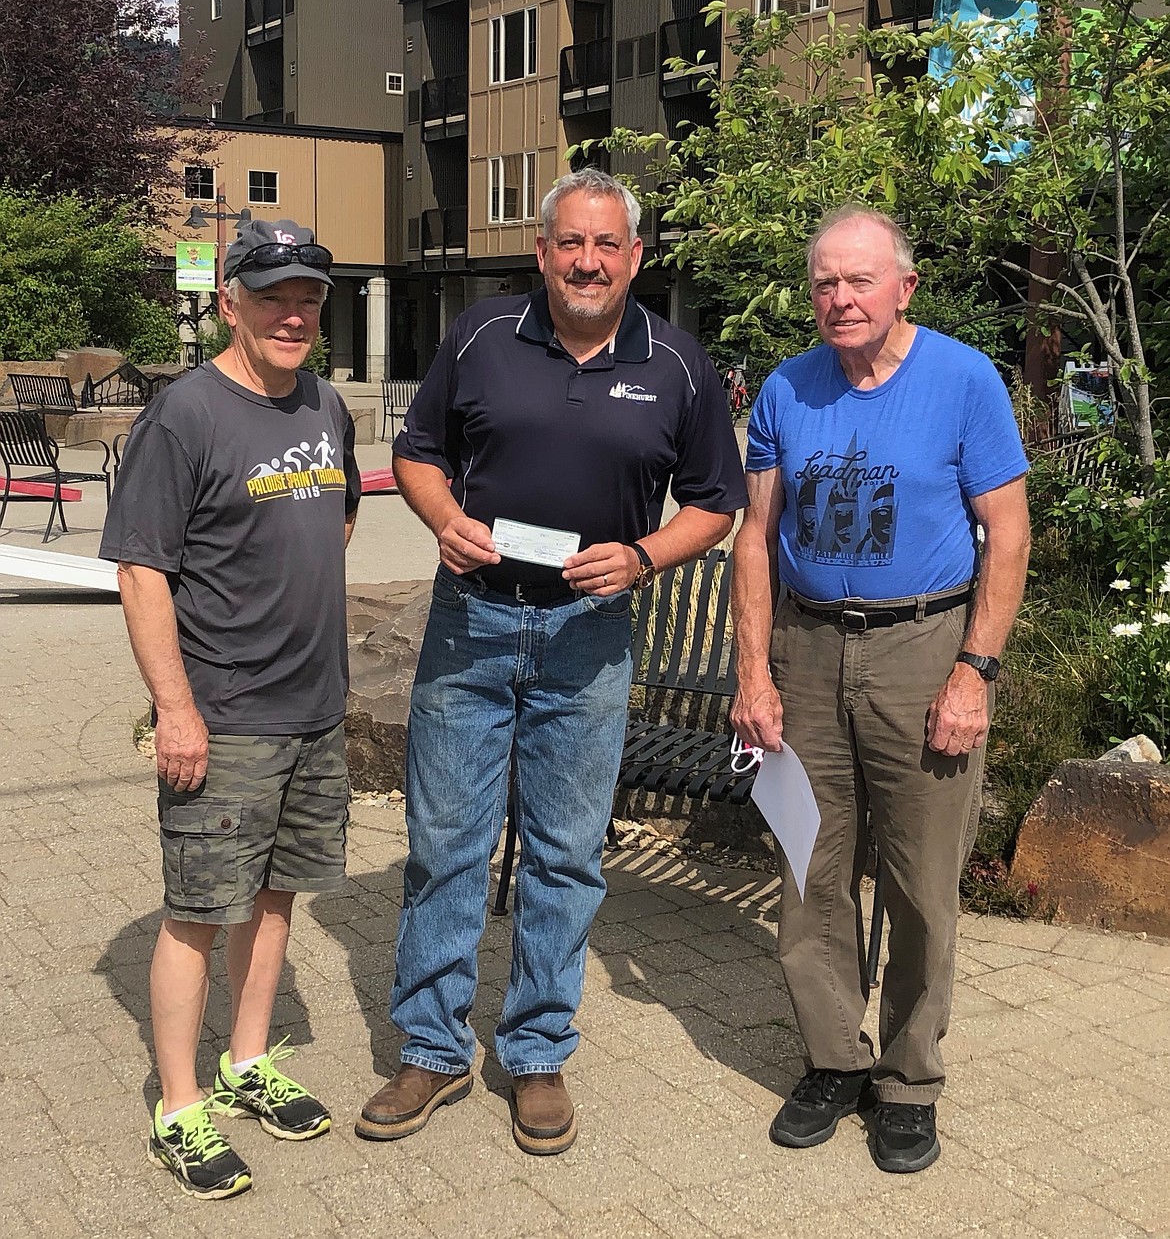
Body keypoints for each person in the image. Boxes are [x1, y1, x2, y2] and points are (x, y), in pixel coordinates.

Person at [355, 169, 747, 1155]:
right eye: (570, 243)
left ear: (635, 258)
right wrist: (442, 516)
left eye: (607, 245)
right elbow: (415, 450)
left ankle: (535, 1053)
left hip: (588, 634)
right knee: (447, 844)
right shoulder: (483, 334)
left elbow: (714, 502)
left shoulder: (678, 365)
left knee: (567, 854)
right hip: (472, 622)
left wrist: (648, 553)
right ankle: (433, 1049)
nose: (587, 261)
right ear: (542, 251)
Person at [731, 205, 1030, 1174]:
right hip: (811, 652)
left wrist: (973, 671)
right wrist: (753, 673)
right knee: (810, 870)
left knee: (920, 879)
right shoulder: (788, 388)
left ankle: (908, 1076)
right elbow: (755, 538)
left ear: (905, 285)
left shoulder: (963, 380)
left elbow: (1010, 533)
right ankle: (832, 1057)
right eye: (824, 281)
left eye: (858, 280)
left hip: (923, 645)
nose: (839, 298)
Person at [100, 218, 361, 1200]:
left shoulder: (328, 405)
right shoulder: (185, 414)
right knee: (200, 912)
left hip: (314, 709)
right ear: (231, 303)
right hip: (226, 714)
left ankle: (246, 1059)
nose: (293, 314)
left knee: (276, 896)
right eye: (273, 295)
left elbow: (334, 522)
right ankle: (178, 1105)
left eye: (308, 299)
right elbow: (140, 569)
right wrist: (175, 706)